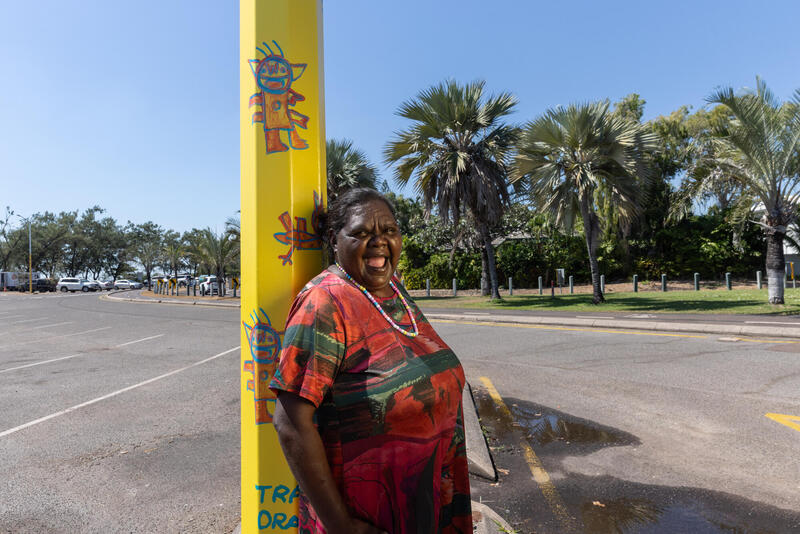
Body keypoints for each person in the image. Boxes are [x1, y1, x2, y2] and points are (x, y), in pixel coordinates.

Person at [270, 188, 472, 534]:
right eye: (362, 233)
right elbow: (291, 424)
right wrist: (343, 526)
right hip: (368, 516)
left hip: (426, 500)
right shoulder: (324, 303)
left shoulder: (394, 290)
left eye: (389, 231)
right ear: (335, 239)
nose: (379, 242)